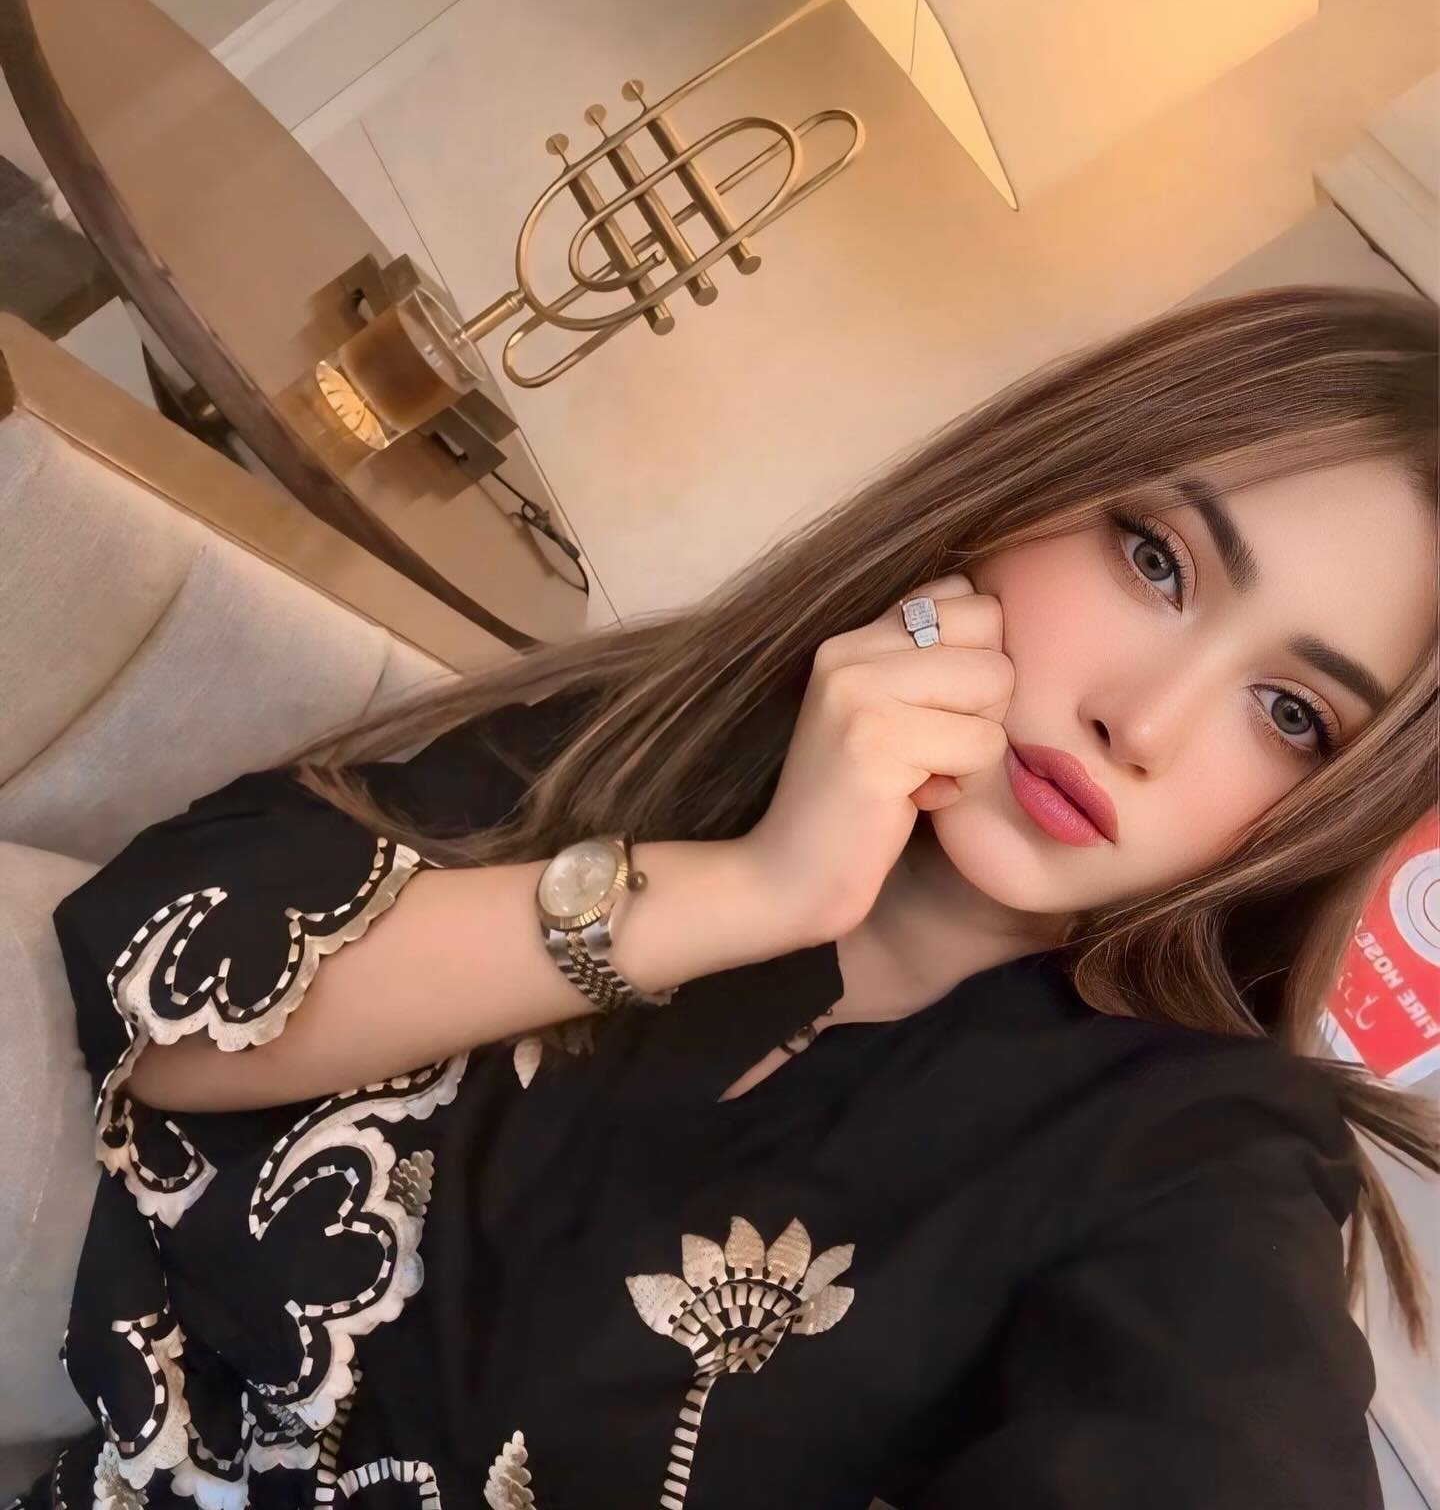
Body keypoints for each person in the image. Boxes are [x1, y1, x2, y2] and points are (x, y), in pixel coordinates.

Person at [19, 283, 1437, 1510]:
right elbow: (175, 1023)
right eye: (1156, 560)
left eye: (1292, 715)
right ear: (1025, 495)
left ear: (1329, 813)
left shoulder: (1198, 1155)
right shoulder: (672, 736)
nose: (1146, 721)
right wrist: (759, 889)